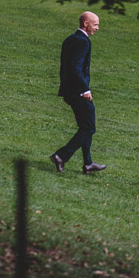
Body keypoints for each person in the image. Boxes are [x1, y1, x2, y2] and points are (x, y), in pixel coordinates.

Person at [49, 11, 107, 175]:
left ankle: (88, 163)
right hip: (79, 92)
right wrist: (85, 90)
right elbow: (75, 68)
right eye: (95, 24)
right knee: (89, 128)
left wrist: (66, 92)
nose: (97, 28)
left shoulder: (70, 39)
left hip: (70, 91)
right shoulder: (83, 42)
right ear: (86, 24)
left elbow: (65, 68)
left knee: (85, 126)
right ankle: (61, 156)